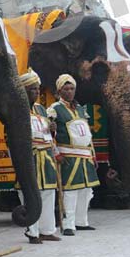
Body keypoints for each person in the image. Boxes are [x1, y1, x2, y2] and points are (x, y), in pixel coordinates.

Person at [48, 74, 99, 235]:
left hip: (85, 156)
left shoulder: (81, 109)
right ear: (59, 91)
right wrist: (56, 154)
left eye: (72, 89)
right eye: (66, 89)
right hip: (68, 155)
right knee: (70, 191)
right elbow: (50, 136)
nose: (70, 92)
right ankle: (68, 224)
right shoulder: (54, 109)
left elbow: (88, 135)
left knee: (86, 190)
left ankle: (81, 221)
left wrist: (93, 155)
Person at [19, 69, 61, 243]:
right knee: (30, 194)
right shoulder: (17, 110)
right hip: (30, 158)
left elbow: (48, 136)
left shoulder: (41, 110)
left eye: (37, 89)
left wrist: (52, 132)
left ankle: (47, 230)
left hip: (46, 158)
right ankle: (32, 232)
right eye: (32, 89)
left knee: (49, 193)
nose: (36, 92)